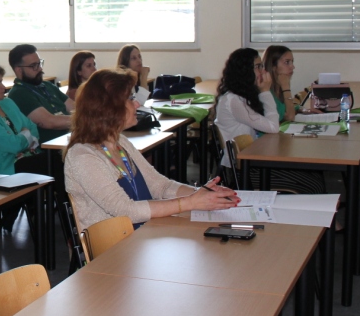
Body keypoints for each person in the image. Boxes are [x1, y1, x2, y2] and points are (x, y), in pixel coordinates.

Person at [65, 69, 238, 233]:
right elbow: (126, 210)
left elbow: (160, 186)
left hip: (142, 235)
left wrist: (203, 194)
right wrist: (191, 202)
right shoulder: (83, 156)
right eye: (130, 98)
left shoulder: (120, 142)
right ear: (109, 108)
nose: (137, 103)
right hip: (114, 247)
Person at [214, 48, 326, 193]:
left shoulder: (242, 95)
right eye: (258, 66)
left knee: (315, 176)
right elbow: (273, 127)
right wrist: (265, 91)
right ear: (244, 70)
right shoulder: (233, 100)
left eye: (261, 65)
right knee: (313, 185)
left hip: (252, 161)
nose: (263, 71)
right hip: (244, 171)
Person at [7, 44, 74, 144]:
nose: (40, 69)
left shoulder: (47, 85)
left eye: (40, 63)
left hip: (70, 138)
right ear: (19, 70)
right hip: (51, 147)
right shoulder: (19, 94)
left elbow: (75, 108)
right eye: (34, 66)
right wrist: (85, 121)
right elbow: (50, 122)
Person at [263, 45, 297, 122]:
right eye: (287, 62)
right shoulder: (266, 91)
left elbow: (284, 107)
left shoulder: (278, 88)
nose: (292, 67)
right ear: (273, 66)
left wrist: (303, 110)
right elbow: (290, 117)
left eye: (292, 62)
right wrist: (286, 87)